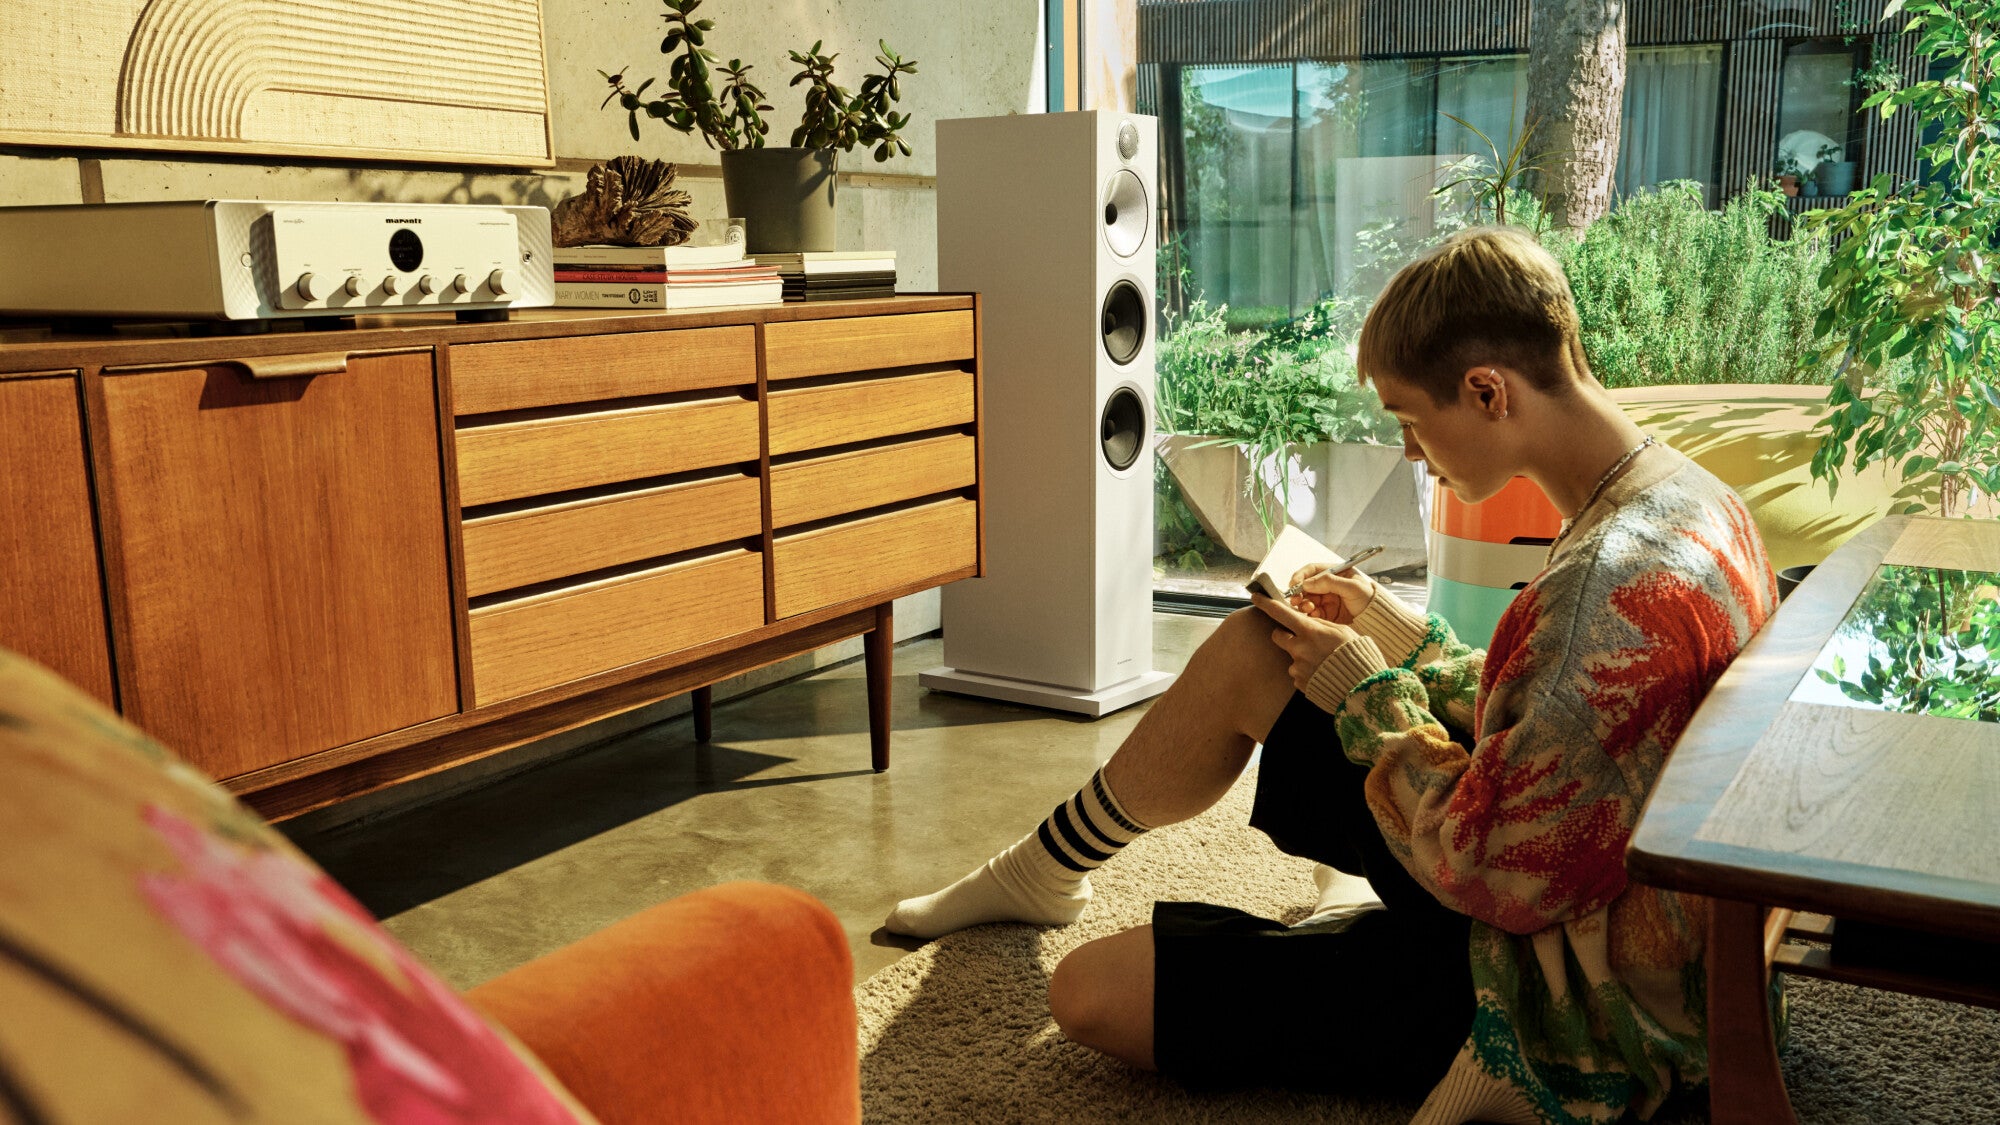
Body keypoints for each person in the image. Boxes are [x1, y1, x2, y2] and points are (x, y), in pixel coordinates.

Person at [884, 226, 1776, 1124]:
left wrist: (1364, 693)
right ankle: (1046, 870)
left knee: (1089, 992)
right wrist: (1390, 631)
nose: (1411, 452)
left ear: (1487, 391)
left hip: (1550, 989)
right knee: (1261, 646)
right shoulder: (1686, 499)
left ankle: (1328, 926)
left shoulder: (1599, 587)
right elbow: (1560, 718)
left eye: (1409, 420)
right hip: (1581, 883)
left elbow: (1488, 869)